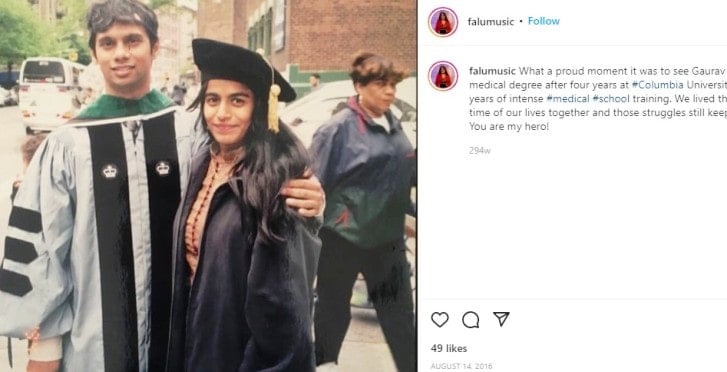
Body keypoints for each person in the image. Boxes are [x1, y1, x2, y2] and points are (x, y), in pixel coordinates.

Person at [0, 1, 323, 371]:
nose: (121, 53)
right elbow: (43, 250)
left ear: (155, 48)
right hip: (94, 347)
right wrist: (46, 349)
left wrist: (314, 198)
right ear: (94, 53)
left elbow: (263, 165)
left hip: (183, 345)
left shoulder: (192, 131)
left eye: (132, 40)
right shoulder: (66, 145)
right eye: (108, 43)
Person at [165, 38, 320, 372]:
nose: (222, 113)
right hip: (199, 344)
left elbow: (285, 318)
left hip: (240, 357)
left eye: (238, 100)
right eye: (213, 100)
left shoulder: (280, 183)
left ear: (260, 107)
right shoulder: (203, 162)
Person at [311, 52, 416, 372]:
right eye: (381, 84)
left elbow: (400, 174)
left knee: (399, 317)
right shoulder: (336, 129)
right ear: (359, 86)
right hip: (343, 238)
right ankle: (323, 365)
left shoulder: (393, 124)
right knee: (332, 311)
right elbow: (315, 186)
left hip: (387, 240)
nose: (390, 91)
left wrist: (411, 215)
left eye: (393, 84)